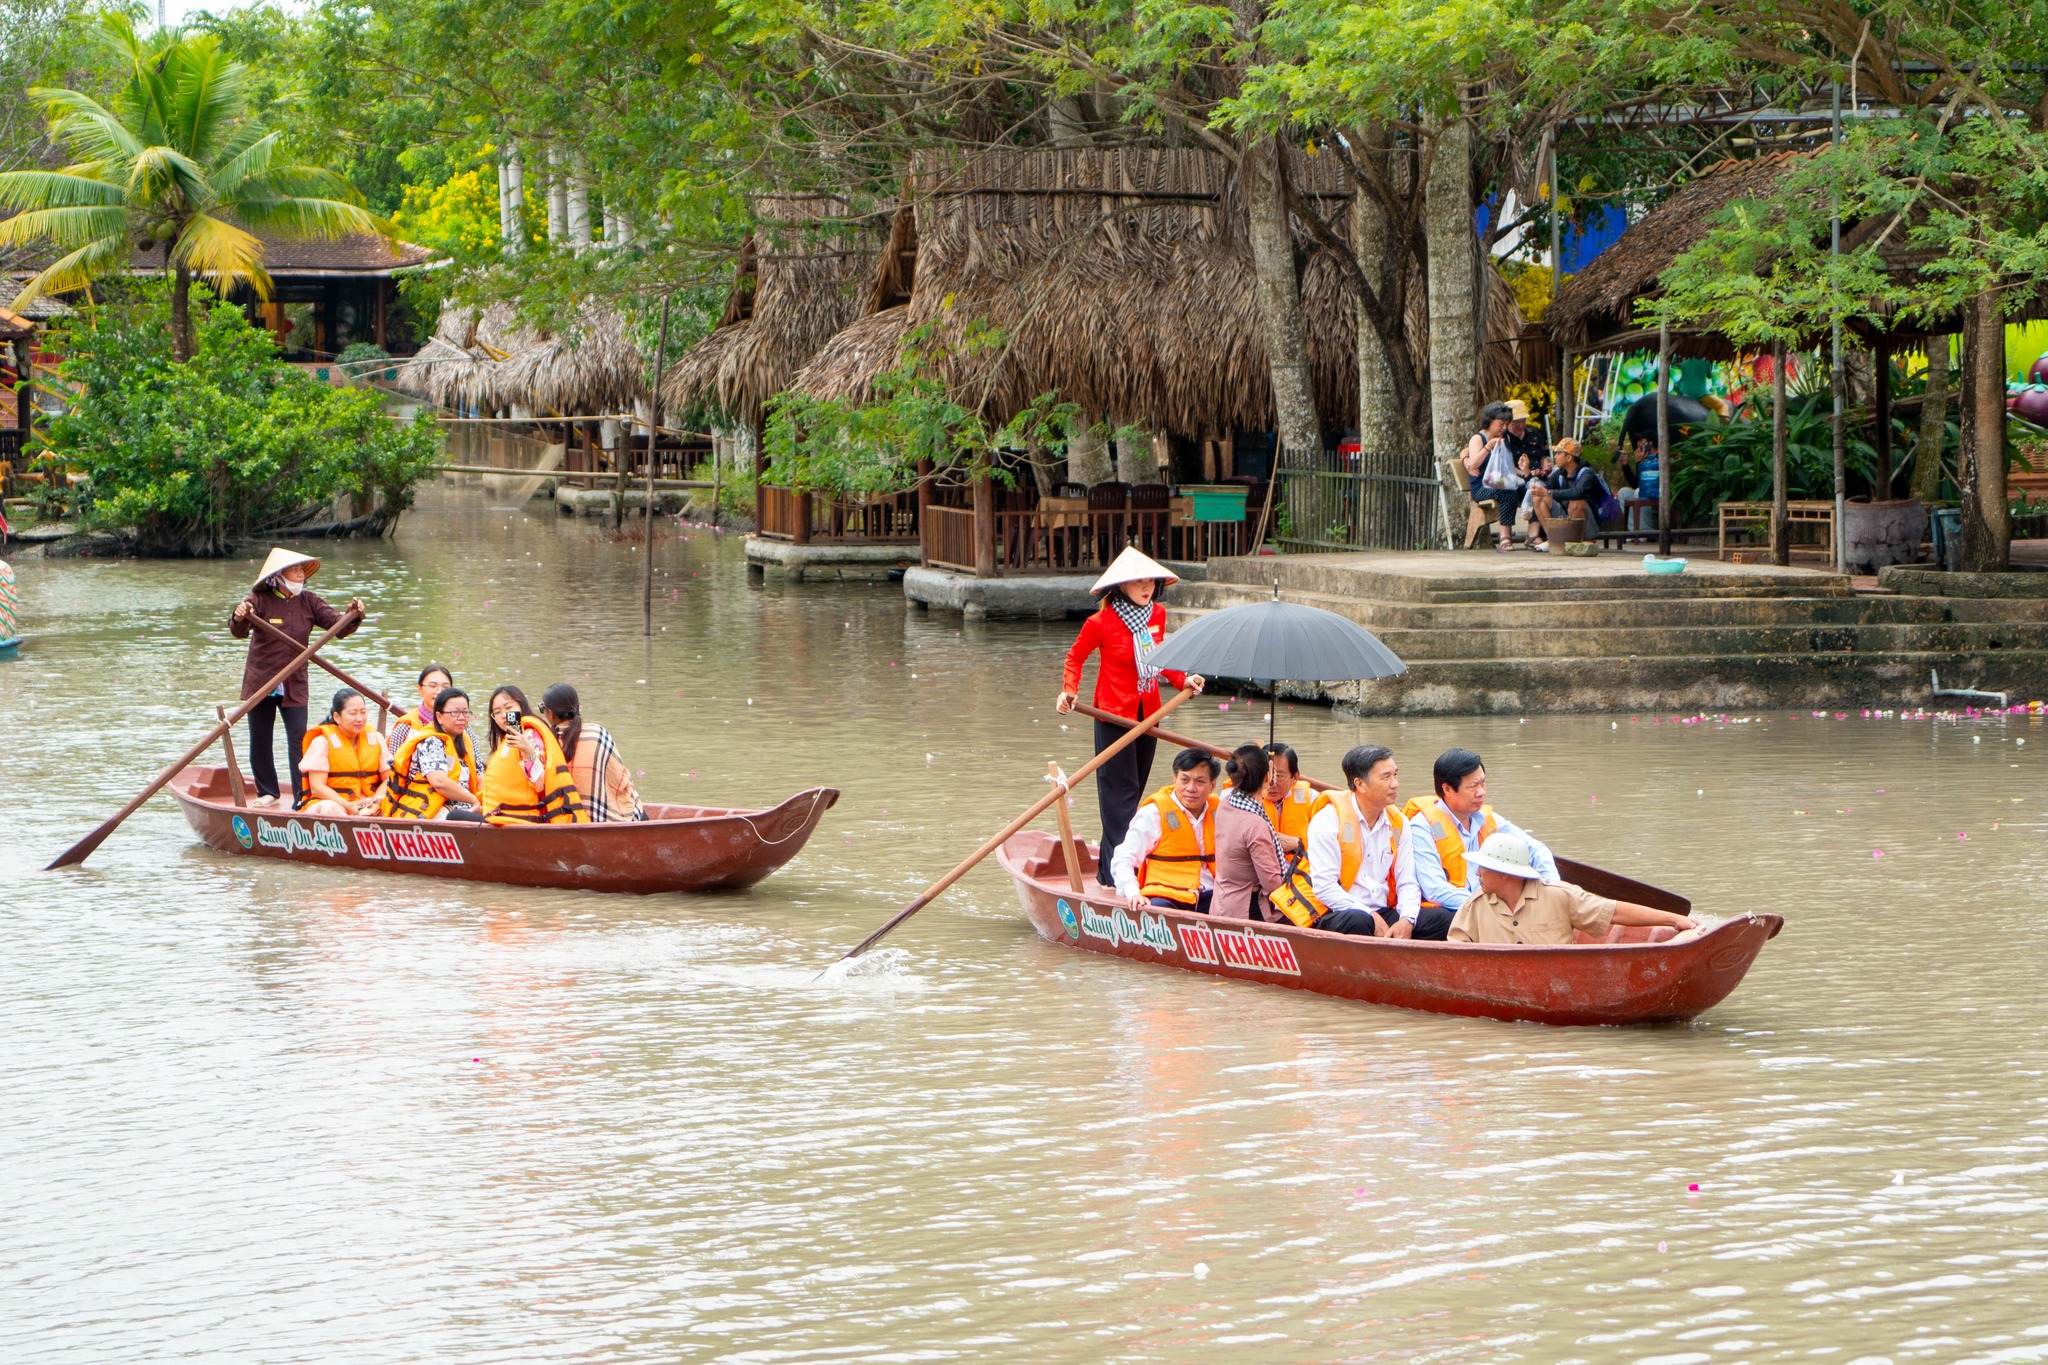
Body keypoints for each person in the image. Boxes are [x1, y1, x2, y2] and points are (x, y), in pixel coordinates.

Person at [1055, 547, 1205, 889]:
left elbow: (1159, 659)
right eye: (1138, 580)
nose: (1146, 586)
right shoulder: (1100, 623)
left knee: (1133, 790)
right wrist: (1068, 691)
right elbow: (1075, 658)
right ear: (1121, 585)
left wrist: (1184, 679)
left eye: (1150, 580)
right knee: (1118, 796)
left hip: (1149, 714)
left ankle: (1110, 870)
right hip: (1113, 715)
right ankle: (1120, 877)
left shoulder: (1158, 615)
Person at [228, 547, 362, 808]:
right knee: (261, 737)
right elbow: (238, 630)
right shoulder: (259, 600)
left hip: (294, 683)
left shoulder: (310, 601)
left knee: (300, 740)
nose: (300, 575)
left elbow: (339, 626)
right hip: (262, 682)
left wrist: (354, 614)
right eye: (295, 570)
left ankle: (303, 796)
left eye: (302, 570)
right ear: (279, 575)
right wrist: (239, 615)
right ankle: (268, 792)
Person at [1269, 744, 1422, 937]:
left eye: (1395, 775)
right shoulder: (1328, 820)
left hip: (1382, 910)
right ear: (1360, 784)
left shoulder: (1399, 822)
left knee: (1440, 919)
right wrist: (1370, 915)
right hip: (1336, 912)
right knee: (1359, 921)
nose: (1394, 784)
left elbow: (1407, 882)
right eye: (1385, 777)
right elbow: (1325, 888)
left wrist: (1407, 919)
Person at [1405, 748, 1559, 935]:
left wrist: (1550, 892)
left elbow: (1537, 851)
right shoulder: (1422, 827)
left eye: (1483, 783)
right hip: (1456, 910)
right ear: (1447, 789)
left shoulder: (1486, 818)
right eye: (1473, 786)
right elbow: (1436, 890)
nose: (1481, 792)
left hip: (1493, 903)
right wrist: (1491, 904)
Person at [1450, 831, 1696, 944]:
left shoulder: (1559, 895)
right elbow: (1455, 956)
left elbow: (1613, 912)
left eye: (1483, 867)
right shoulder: (1474, 906)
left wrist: (1674, 920)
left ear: (1505, 874)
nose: (1478, 873)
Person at [1111, 749, 1221, 914]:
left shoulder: (1220, 810)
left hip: (1212, 894)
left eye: (1200, 781)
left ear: (1212, 785)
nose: (1191, 788)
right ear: (1175, 779)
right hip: (1167, 896)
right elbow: (1123, 858)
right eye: (1184, 780)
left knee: (1247, 906)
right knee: (1157, 912)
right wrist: (1132, 892)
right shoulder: (1154, 812)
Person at [480, 685, 586, 825]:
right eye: (497, 712)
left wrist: (527, 750)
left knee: (454, 815)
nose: (504, 715)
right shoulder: (506, 741)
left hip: (523, 819)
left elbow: (540, 783)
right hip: (507, 815)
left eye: (509, 707)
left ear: (521, 706)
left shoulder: (530, 734)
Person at [539, 683, 644, 822]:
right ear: (578, 707)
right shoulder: (598, 734)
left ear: (550, 714)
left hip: (563, 821)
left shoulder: (542, 742)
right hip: (611, 820)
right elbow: (620, 778)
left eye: (542, 709)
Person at [382, 687, 483, 821]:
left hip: (465, 805)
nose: (461, 718)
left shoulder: (465, 740)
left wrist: (485, 800)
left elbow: (480, 775)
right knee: (461, 817)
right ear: (439, 716)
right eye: (454, 712)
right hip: (433, 807)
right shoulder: (430, 741)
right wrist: (473, 799)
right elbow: (439, 782)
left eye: (465, 712)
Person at [1213, 744, 1288, 921]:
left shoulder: (1226, 804)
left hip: (1222, 903)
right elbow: (1272, 884)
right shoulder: (1255, 824)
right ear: (1267, 777)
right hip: (1248, 909)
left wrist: (1265, 777)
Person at [299, 687, 391, 816]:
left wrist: (375, 801)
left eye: (363, 712)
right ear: (337, 717)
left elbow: (389, 778)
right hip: (334, 803)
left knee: (396, 802)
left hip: (369, 801)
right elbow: (317, 787)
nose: (360, 719)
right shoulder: (322, 742)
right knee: (329, 808)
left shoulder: (376, 738)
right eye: (353, 713)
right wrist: (348, 805)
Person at [1525, 439, 1610, 550]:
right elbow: (1546, 488)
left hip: (1588, 526)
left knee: (1576, 503)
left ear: (1569, 457)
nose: (1555, 457)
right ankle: (1553, 539)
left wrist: (1549, 492)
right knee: (1538, 498)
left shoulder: (1587, 474)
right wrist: (1530, 477)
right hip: (1566, 517)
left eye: (1559, 453)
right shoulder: (1560, 474)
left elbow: (1577, 492)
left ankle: (1577, 541)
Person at [1461, 402, 1521, 552]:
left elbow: (1507, 464)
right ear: (1490, 421)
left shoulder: (1504, 438)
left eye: (1507, 424)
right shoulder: (1479, 438)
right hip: (1482, 487)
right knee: (1508, 493)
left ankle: (1535, 535)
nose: (1504, 428)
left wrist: (1523, 473)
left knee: (1529, 489)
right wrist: (1488, 447)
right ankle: (1505, 537)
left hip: (1499, 482)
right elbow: (1473, 464)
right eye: (1501, 424)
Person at [1261, 743, 1319, 855]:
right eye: (1266, 774)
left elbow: (1330, 842)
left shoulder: (1313, 800)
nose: (1271, 783)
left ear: (1295, 777)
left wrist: (1298, 843)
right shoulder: (1245, 802)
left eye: (1279, 776)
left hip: (1300, 868)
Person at [388, 664, 455, 753]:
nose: (439, 691)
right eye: (433, 686)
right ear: (420, 689)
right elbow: (393, 763)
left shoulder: (459, 723)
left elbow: (475, 761)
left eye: (445, 687)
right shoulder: (405, 727)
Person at [1504, 399, 1550, 470]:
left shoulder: (1534, 433)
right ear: (1507, 422)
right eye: (1516, 422)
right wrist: (1526, 474)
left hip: (1539, 475)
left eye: (1523, 421)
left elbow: (1543, 455)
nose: (1521, 425)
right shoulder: (1504, 438)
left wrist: (1545, 463)